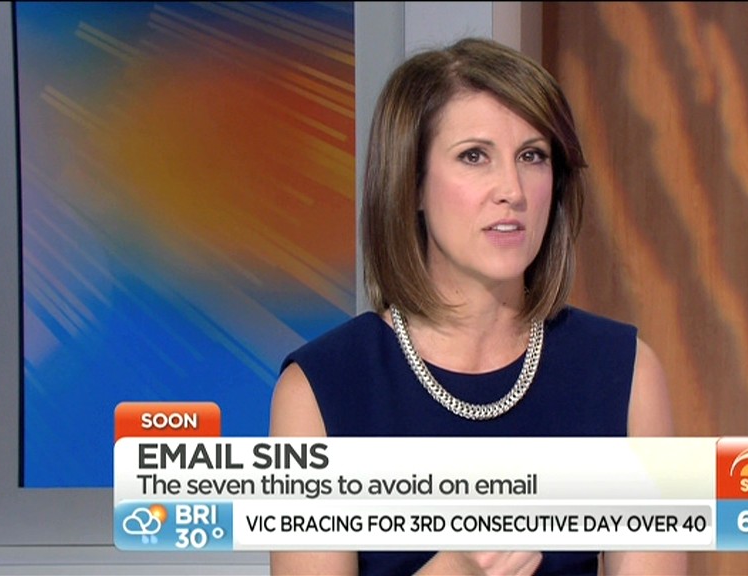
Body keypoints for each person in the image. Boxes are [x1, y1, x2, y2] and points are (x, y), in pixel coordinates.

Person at [270, 37, 685, 576]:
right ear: (412, 185)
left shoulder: (625, 373)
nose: (512, 189)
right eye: (474, 156)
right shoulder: (319, 390)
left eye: (532, 156)